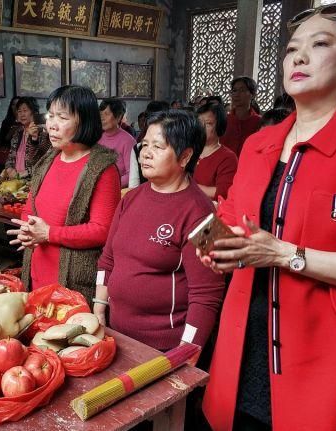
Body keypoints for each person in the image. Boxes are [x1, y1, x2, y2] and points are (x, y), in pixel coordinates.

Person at [198, 4, 336, 430]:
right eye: (291, 49)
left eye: (320, 44)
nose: (299, 58)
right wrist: (220, 248)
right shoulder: (260, 144)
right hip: (245, 351)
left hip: (327, 365)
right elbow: (232, 217)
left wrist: (285, 253)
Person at [94, 110, 225, 352]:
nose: (145, 153)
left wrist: (189, 349)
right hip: (116, 334)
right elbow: (108, 259)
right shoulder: (130, 198)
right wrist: (100, 306)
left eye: (158, 146)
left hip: (165, 348)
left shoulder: (206, 215)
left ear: (185, 156)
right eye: (144, 144)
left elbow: (208, 294)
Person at [8, 85, 121, 305]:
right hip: (38, 270)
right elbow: (30, 208)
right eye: (50, 115)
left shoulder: (102, 168)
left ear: (84, 121)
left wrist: (49, 233)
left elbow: (103, 231)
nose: (51, 124)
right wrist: (26, 230)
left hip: (74, 281)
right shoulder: (49, 159)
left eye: (62, 117)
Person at [194, 102, 238, 201]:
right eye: (199, 122)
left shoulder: (228, 157)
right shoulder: (190, 150)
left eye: (208, 123)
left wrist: (190, 187)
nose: (201, 127)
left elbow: (222, 192)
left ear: (219, 126)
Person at [1, 96, 51, 179]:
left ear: (33, 112)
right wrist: (9, 168)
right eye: (19, 111)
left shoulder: (43, 132)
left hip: (33, 179)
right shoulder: (18, 133)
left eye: (25, 110)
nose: (22, 114)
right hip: (17, 179)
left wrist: (27, 172)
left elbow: (44, 160)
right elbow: (11, 155)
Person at [98, 98, 138, 188]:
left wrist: (110, 184)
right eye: (100, 114)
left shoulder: (128, 141)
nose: (102, 118)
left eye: (106, 114)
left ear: (118, 117)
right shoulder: (98, 138)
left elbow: (132, 174)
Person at [221, 76, 261, 156]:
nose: (236, 94)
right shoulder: (224, 120)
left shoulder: (259, 122)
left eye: (242, 90)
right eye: (234, 90)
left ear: (252, 95)